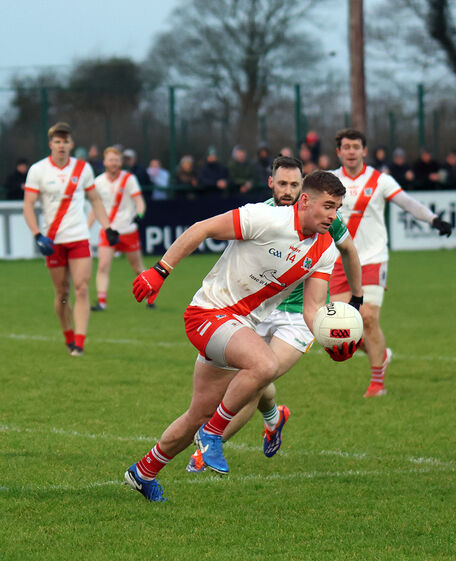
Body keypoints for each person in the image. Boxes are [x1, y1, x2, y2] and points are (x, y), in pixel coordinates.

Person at [123, 171, 354, 501]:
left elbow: (312, 309)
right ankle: (213, 434)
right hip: (208, 313)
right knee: (264, 364)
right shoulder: (264, 217)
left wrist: (331, 338)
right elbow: (201, 228)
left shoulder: (325, 251)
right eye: (328, 207)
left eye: (338, 208)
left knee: (198, 414)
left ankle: (143, 472)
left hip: (236, 327)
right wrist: (160, 271)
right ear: (305, 201)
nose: (333, 216)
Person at [185, 157, 364, 473]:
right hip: (256, 311)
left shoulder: (326, 218)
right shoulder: (265, 214)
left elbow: (348, 251)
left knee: (252, 382)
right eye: (283, 184)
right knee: (256, 375)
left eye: (294, 184)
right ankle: (273, 417)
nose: (288, 190)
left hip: (299, 317)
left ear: (303, 188)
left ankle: (206, 449)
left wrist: (357, 297)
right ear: (271, 183)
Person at [330, 128, 452, 398]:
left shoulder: (380, 180)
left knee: (368, 318)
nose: (351, 151)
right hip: (338, 261)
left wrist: (433, 219)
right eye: (346, 147)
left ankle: (377, 384)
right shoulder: (329, 180)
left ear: (364, 150)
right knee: (342, 330)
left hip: (373, 259)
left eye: (356, 146)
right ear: (338, 152)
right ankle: (382, 353)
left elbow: (407, 203)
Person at [22, 122, 119, 356]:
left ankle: (80, 341)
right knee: (62, 293)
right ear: (51, 144)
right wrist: (37, 234)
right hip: (52, 240)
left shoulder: (83, 169)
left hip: (78, 237)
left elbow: (95, 200)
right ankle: (67, 334)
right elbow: (28, 205)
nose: (61, 145)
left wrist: (107, 227)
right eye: (57, 141)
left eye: (65, 141)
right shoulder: (38, 170)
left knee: (82, 288)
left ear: (71, 144)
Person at [91, 147, 147, 312]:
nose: (113, 163)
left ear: (120, 162)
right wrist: (86, 228)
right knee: (103, 266)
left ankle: (150, 296)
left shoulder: (129, 179)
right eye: (110, 159)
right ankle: (101, 302)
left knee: (137, 267)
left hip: (128, 230)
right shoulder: (99, 182)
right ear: (105, 161)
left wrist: (140, 215)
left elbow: (139, 201)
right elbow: (95, 207)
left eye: (116, 160)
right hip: (108, 230)